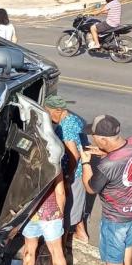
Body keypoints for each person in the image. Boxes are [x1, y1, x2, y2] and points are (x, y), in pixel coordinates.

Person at [80, 115, 132, 265]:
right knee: (128, 243)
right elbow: (123, 157)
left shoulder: (107, 165)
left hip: (116, 217)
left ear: (102, 139)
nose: (93, 139)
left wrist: (86, 162)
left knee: (113, 253)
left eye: (94, 136)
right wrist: (105, 152)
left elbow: (90, 187)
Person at [44, 94, 89, 243]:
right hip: (79, 170)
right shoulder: (74, 119)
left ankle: (62, 242)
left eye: (48, 112)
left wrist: (69, 176)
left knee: (68, 208)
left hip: (73, 172)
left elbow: (73, 155)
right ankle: (81, 233)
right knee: (77, 204)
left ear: (58, 110)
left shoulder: (67, 126)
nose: (49, 117)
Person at [22, 172, 72, 265]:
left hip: (30, 213)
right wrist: (59, 213)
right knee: (57, 253)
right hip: (51, 213)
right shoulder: (54, 160)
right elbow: (60, 192)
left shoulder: (26, 161)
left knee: (29, 250)